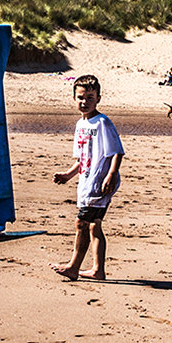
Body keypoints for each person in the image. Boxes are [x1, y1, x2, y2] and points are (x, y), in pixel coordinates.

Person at [53, 75, 124, 282]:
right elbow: (83, 159)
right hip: (86, 180)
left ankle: (73, 267)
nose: (85, 102)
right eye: (81, 98)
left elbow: (117, 152)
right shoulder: (80, 124)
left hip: (99, 182)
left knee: (81, 223)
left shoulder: (102, 123)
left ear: (98, 98)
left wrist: (110, 175)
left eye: (90, 98)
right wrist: (68, 174)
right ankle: (97, 270)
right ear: (74, 98)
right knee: (94, 225)